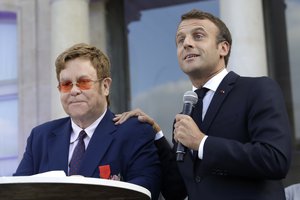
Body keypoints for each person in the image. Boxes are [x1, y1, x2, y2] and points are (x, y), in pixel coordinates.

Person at [114, 9, 292, 200]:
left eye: (198, 36)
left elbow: (275, 159)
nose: (187, 43)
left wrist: (202, 143)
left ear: (223, 48)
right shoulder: (186, 115)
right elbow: (178, 190)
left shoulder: (257, 89)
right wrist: (156, 135)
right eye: (180, 40)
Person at [14, 43, 161, 200]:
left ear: (105, 86)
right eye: (66, 84)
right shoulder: (40, 137)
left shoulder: (134, 132)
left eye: (83, 82)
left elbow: (144, 190)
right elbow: (15, 192)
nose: (74, 91)